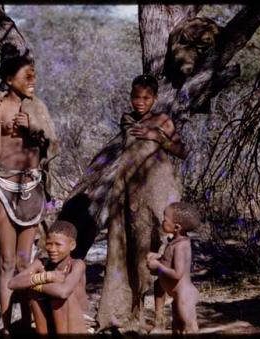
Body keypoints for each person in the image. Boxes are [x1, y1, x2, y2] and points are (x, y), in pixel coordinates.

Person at [60, 74, 187, 332]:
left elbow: (182, 151)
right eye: (135, 97)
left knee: (160, 251)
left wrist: (157, 136)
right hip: (130, 195)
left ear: (155, 98)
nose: (140, 102)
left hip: (159, 194)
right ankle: (133, 313)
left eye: (146, 98)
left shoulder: (163, 120)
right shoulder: (127, 120)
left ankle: (161, 314)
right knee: (132, 253)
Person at [0, 43, 58, 332]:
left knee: (24, 261)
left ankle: (25, 323)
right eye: (27, 76)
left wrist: (34, 130)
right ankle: (4, 325)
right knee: (5, 262)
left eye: (34, 76)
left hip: (31, 186)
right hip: (3, 185)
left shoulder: (37, 107)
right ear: (9, 79)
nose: (32, 82)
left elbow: (53, 146)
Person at [8, 220, 89, 334]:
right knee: (35, 295)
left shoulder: (77, 264)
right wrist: (47, 276)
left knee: (57, 298)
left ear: (72, 245)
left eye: (58, 244)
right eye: (49, 243)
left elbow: (63, 292)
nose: (52, 249)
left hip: (78, 326)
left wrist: (35, 285)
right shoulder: (42, 263)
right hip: (52, 324)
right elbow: (13, 283)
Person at [146, 202, 201, 334]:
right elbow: (169, 261)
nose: (162, 222)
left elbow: (177, 273)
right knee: (177, 329)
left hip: (184, 296)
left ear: (177, 227)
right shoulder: (174, 242)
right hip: (177, 297)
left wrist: (158, 265)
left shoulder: (181, 246)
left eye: (165, 220)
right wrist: (158, 257)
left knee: (190, 330)